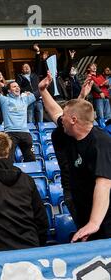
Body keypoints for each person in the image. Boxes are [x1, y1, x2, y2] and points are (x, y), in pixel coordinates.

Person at [39, 71, 111, 242]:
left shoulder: (101, 142)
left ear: (72, 120)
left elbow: (104, 183)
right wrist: (43, 91)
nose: (59, 119)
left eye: (64, 116)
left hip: (105, 212)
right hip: (80, 200)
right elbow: (56, 112)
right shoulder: (69, 131)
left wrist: (94, 223)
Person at [0, 69, 36, 163]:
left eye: (18, 86)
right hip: (10, 134)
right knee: (8, 160)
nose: (17, 88)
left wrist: (45, 84)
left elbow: (39, 92)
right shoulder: (4, 100)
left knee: (31, 160)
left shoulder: (25, 99)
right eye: (14, 87)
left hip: (25, 134)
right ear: (9, 90)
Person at [16, 44, 43, 124]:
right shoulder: (20, 77)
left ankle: (41, 134)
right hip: (28, 100)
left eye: (28, 66)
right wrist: (24, 92)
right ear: (22, 70)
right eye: (24, 67)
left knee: (40, 119)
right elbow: (17, 87)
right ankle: (32, 134)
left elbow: (38, 63)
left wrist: (38, 51)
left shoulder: (35, 75)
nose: (27, 68)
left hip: (38, 99)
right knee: (30, 119)